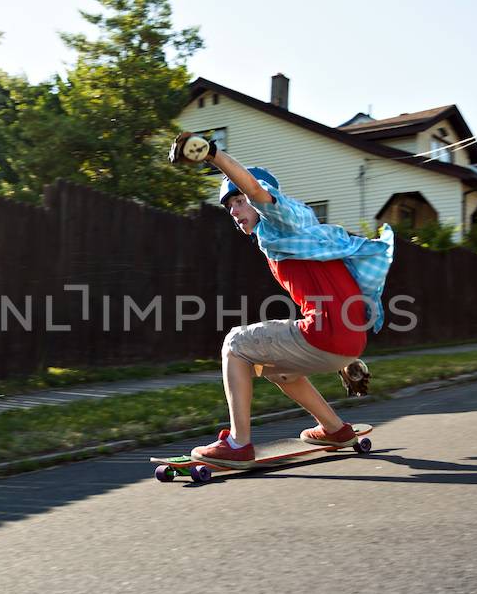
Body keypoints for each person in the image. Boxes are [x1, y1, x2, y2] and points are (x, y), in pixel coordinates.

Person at [168, 131, 394, 468]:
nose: (234, 210)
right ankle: (334, 429)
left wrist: (213, 154)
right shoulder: (304, 238)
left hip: (328, 334)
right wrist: (345, 360)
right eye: (229, 206)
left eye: (238, 201)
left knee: (235, 344)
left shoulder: (283, 221)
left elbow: (257, 190)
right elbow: (337, 293)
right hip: (348, 338)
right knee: (273, 367)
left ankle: (238, 443)